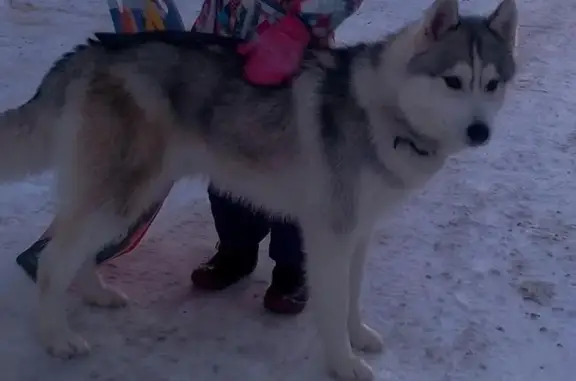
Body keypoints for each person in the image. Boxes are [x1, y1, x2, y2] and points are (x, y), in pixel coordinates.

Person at [189, 0, 365, 315]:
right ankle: (236, 249)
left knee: (293, 164)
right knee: (225, 150)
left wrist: (308, 17)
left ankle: (293, 268)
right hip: (221, 40)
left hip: (295, 51)